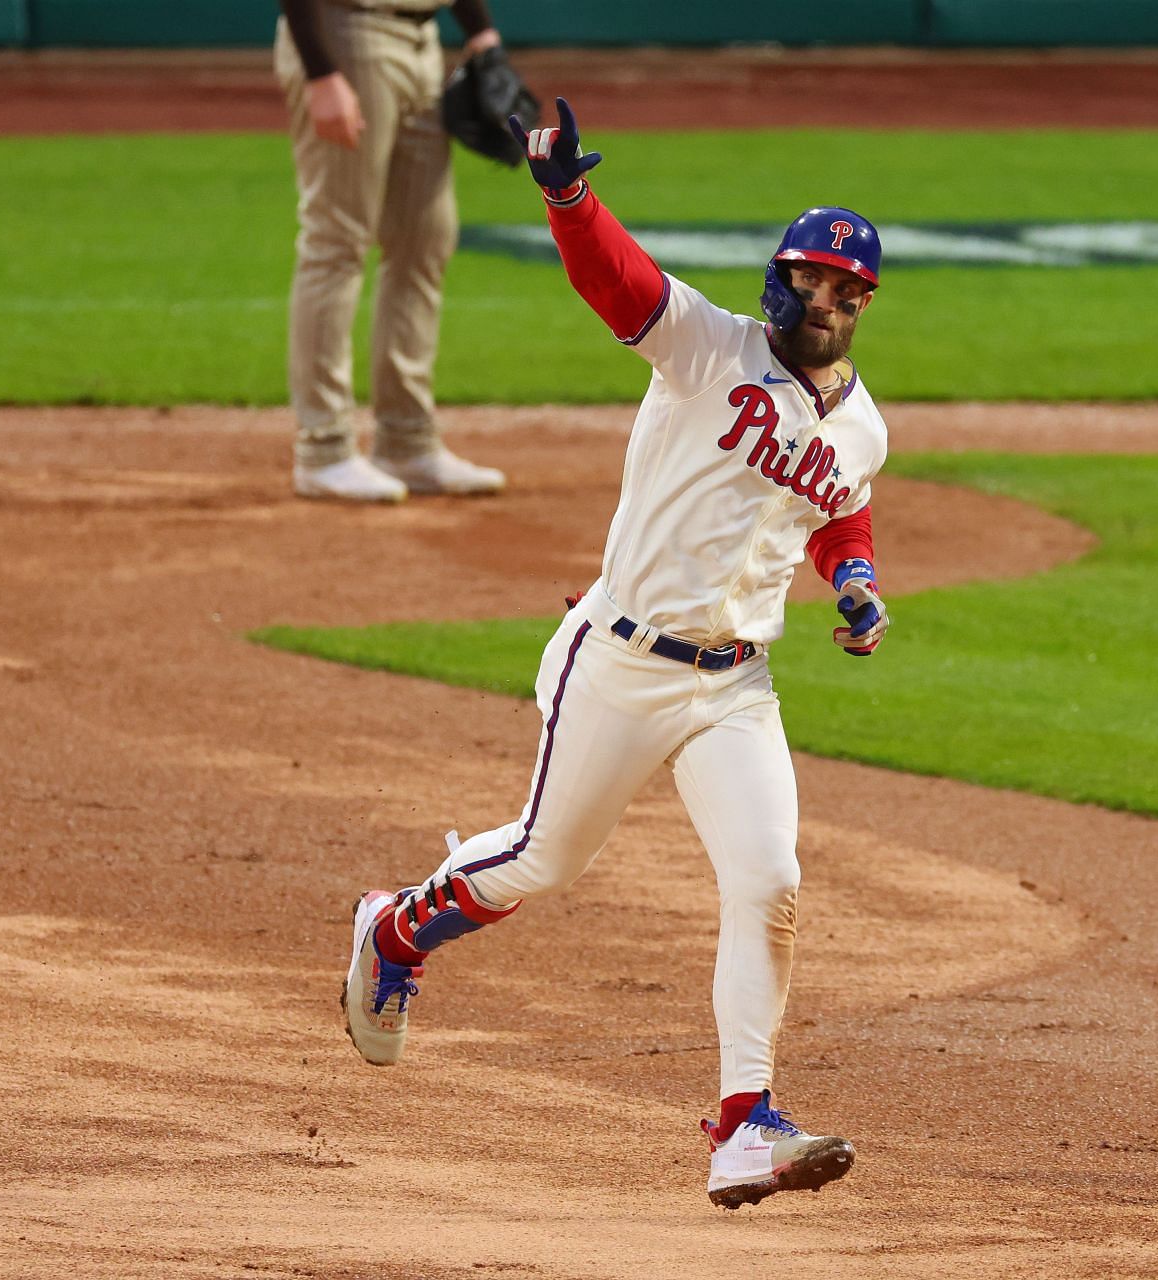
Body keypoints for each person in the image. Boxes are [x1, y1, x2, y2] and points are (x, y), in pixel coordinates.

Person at [338, 98, 893, 1209]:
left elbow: (833, 510)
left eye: (845, 289)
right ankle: (395, 925)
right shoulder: (707, 345)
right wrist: (567, 196)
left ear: (864, 304)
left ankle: (745, 1123)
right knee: (543, 863)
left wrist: (857, 577)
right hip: (622, 664)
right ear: (779, 277)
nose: (822, 299)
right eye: (807, 277)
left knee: (772, 882)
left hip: (736, 685)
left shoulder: (865, 423)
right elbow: (619, 282)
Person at [274, 0, 507, 502]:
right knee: (337, 241)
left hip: (424, 39)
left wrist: (481, 33)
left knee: (426, 238)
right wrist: (319, 71)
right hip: (346, 35)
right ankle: (324, 449)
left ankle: (406, 440)